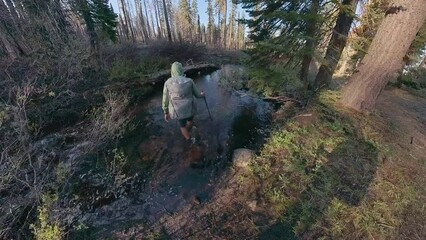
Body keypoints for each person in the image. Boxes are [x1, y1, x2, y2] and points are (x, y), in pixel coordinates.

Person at [162, 62, 205, 141]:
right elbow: (197, 95)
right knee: (190, 120)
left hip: (178, 111)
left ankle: (189, 139)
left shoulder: (167, 83)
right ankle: (190, 128)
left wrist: (166, 112)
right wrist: (202, 95)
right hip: (190, 108)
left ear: (172, 71)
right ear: (182, 70)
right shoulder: (189, 81)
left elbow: (165, 99)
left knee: (182, 126)